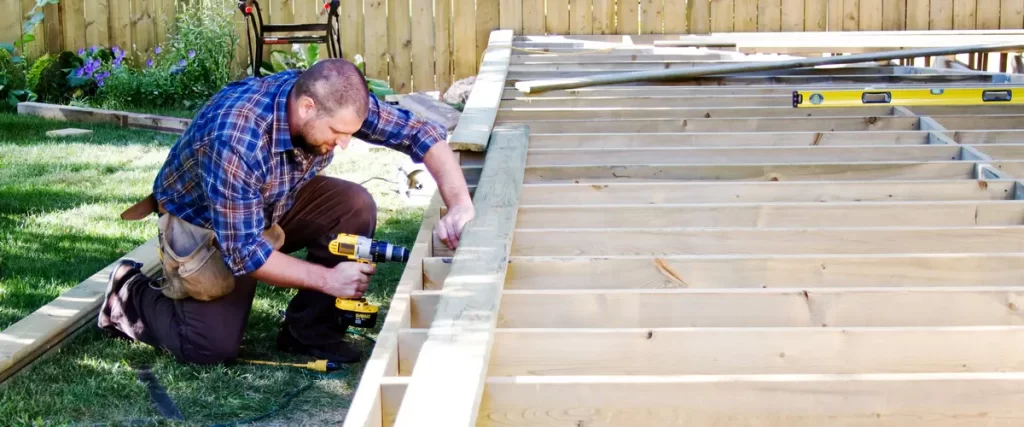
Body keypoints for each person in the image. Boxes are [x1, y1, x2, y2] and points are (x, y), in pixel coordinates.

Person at [96, 58, 474, 365]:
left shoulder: (333, 99)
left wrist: (458, 204)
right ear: (307, 107)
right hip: (208, 223)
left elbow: (421, 134)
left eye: (350, 133)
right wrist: (329, 280)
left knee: (354, 206)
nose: (344, 144)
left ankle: (308, 331)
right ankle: (127, 293)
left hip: (271, 204)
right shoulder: (237, 138)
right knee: (210, 347)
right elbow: (244, 253)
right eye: (337, 132)